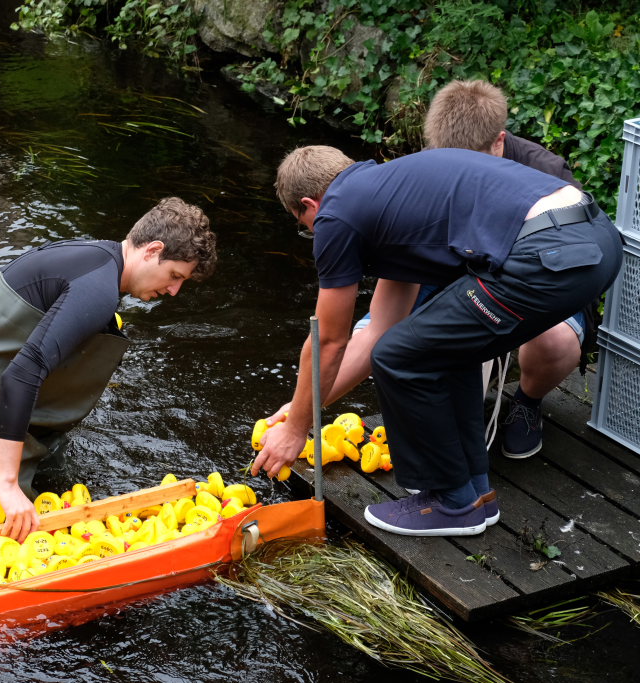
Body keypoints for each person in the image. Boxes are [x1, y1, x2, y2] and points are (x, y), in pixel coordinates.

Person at [254, 145, 621, 536]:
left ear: (309, 205)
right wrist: (300, 409)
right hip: (597, 239)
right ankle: (473, 493)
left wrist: (296, 430)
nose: (314, 233)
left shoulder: (336, 214)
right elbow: (379, 328)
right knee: (441, 349)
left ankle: (451, 504)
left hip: (551, 254)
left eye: (305, 225)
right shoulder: (392, 196)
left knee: (401, 356)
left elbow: (330, 341)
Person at [0, 197, 217, 542]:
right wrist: (8, 484)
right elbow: (21, 374)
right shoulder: (98, 291)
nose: (174, 290)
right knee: (28, 535)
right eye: (174, 276)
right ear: (153, 250)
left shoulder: (96, 257)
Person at [332, 80, 589, 459]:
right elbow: (402, 265)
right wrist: (303, 409)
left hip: (535, 281)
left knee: (556, 341)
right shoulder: (426, 169)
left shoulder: (549, 174)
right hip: (455, 274)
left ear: (499, 142)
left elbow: (573, 261)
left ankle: (527, 402)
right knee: (379, 336)